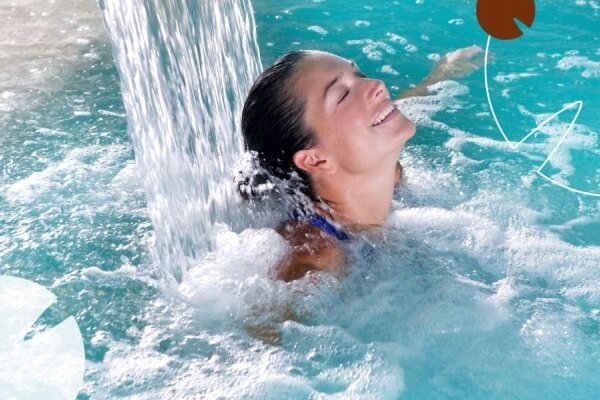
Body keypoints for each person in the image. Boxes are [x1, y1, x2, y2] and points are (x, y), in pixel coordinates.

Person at [239, 46, 485, 282]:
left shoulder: (388, 172)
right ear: (316, 159)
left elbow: (381, 115)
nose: (377, 84)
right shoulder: (315, 253)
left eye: (360, 76)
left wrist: (441, 75)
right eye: (343, 95)